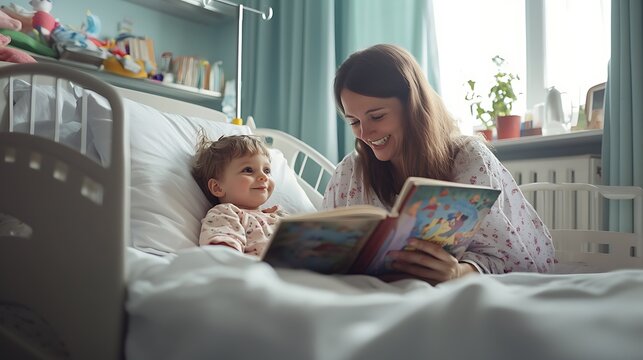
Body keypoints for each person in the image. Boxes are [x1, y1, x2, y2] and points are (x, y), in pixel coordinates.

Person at [323, 44, 555, 283]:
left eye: (377, 116)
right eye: (353, 122)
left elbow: (514, 259)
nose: (364, 133)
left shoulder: (467, 158)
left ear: (412, 107)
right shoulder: (350, 173)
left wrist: (457, 272)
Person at [192, 133, 287, 258]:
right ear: (218, 187)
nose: (264, 177)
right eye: (248, 170)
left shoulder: (279, 215)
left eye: (267, 170)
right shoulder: (226, 213)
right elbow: (224, 255)